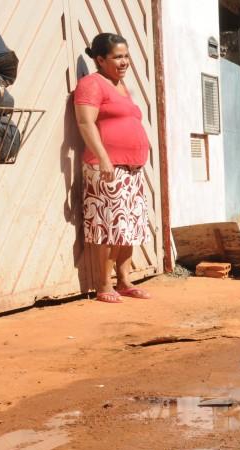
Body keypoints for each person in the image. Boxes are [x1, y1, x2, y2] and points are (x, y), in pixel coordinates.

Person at [73, 33, 152, 303]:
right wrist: (103, 157)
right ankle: (104, 285)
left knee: (128, 226)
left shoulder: (120, 86)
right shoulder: (91, 84)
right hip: (106, 166)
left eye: (126, 56)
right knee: (108, 227)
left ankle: (124, 280)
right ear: (99, 59)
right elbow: (85, 123)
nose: (124, 62)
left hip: (131, 168)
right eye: (117, 57)